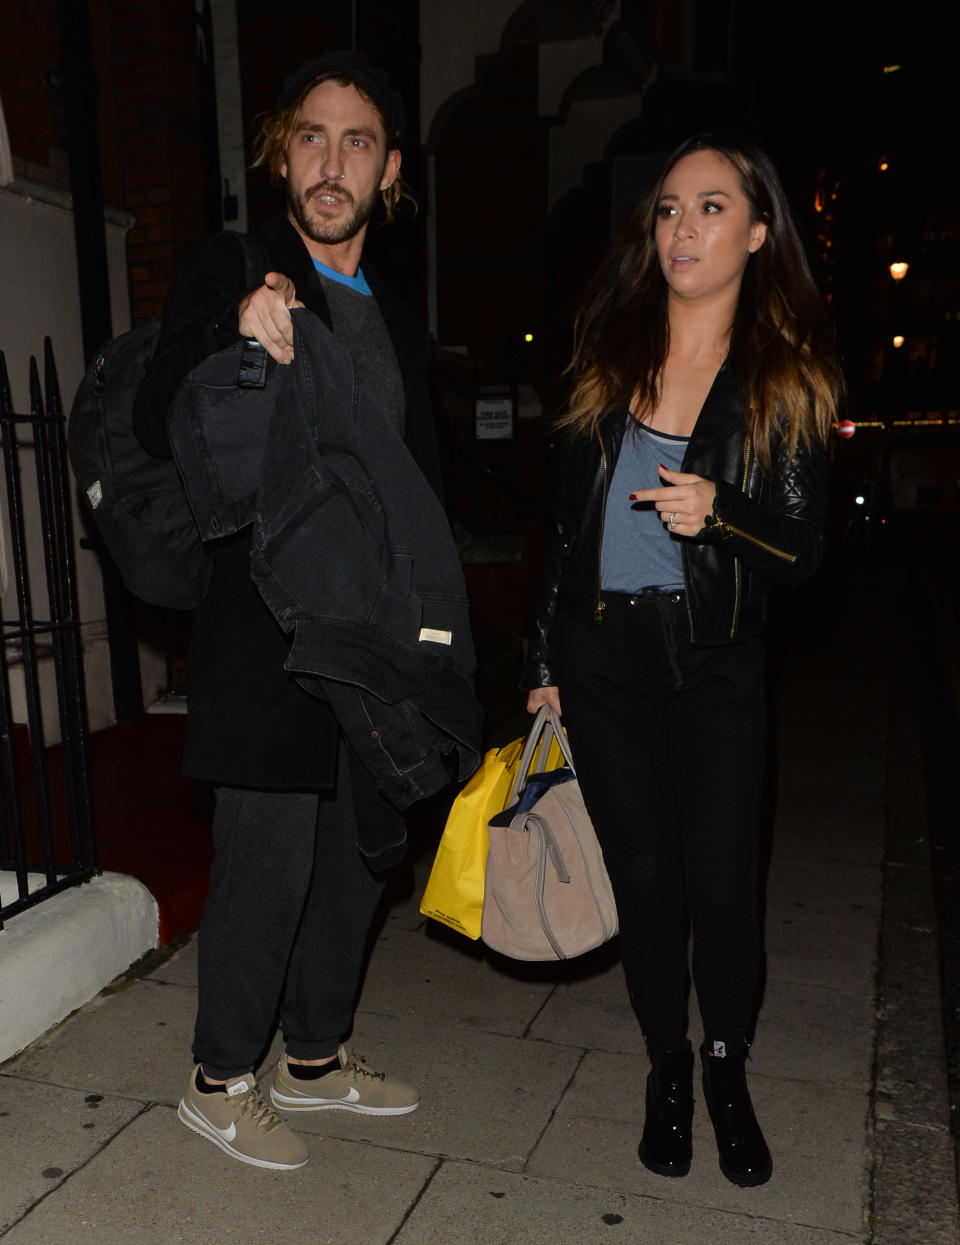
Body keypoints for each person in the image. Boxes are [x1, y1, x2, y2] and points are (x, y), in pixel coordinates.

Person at [134, 52, 472, 1171]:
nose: (333, 164)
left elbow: (418, 486)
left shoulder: (403, 320)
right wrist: (237, 326)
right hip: (267, 625)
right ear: (281, 153)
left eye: (359, 142)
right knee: (269, 852)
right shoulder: (236, 263)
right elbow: (155, 398)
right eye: (313, 138)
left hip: (371, 632)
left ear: (390, 171)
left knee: (361, 853)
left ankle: (313, 1057)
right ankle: (219, 1072)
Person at [525, 135, 844, 1187]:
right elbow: (561, 530)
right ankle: (667, 1066)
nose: (683, 229)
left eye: (711, 208)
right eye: (668, 209)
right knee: (648, 887)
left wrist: (724, 514)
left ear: (757, 233)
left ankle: (725, 1067)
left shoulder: (785, 377)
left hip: (714, 661)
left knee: (723, 890)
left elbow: (803, 548)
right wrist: (542, 659)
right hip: (603, 654)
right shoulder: (606, 356)